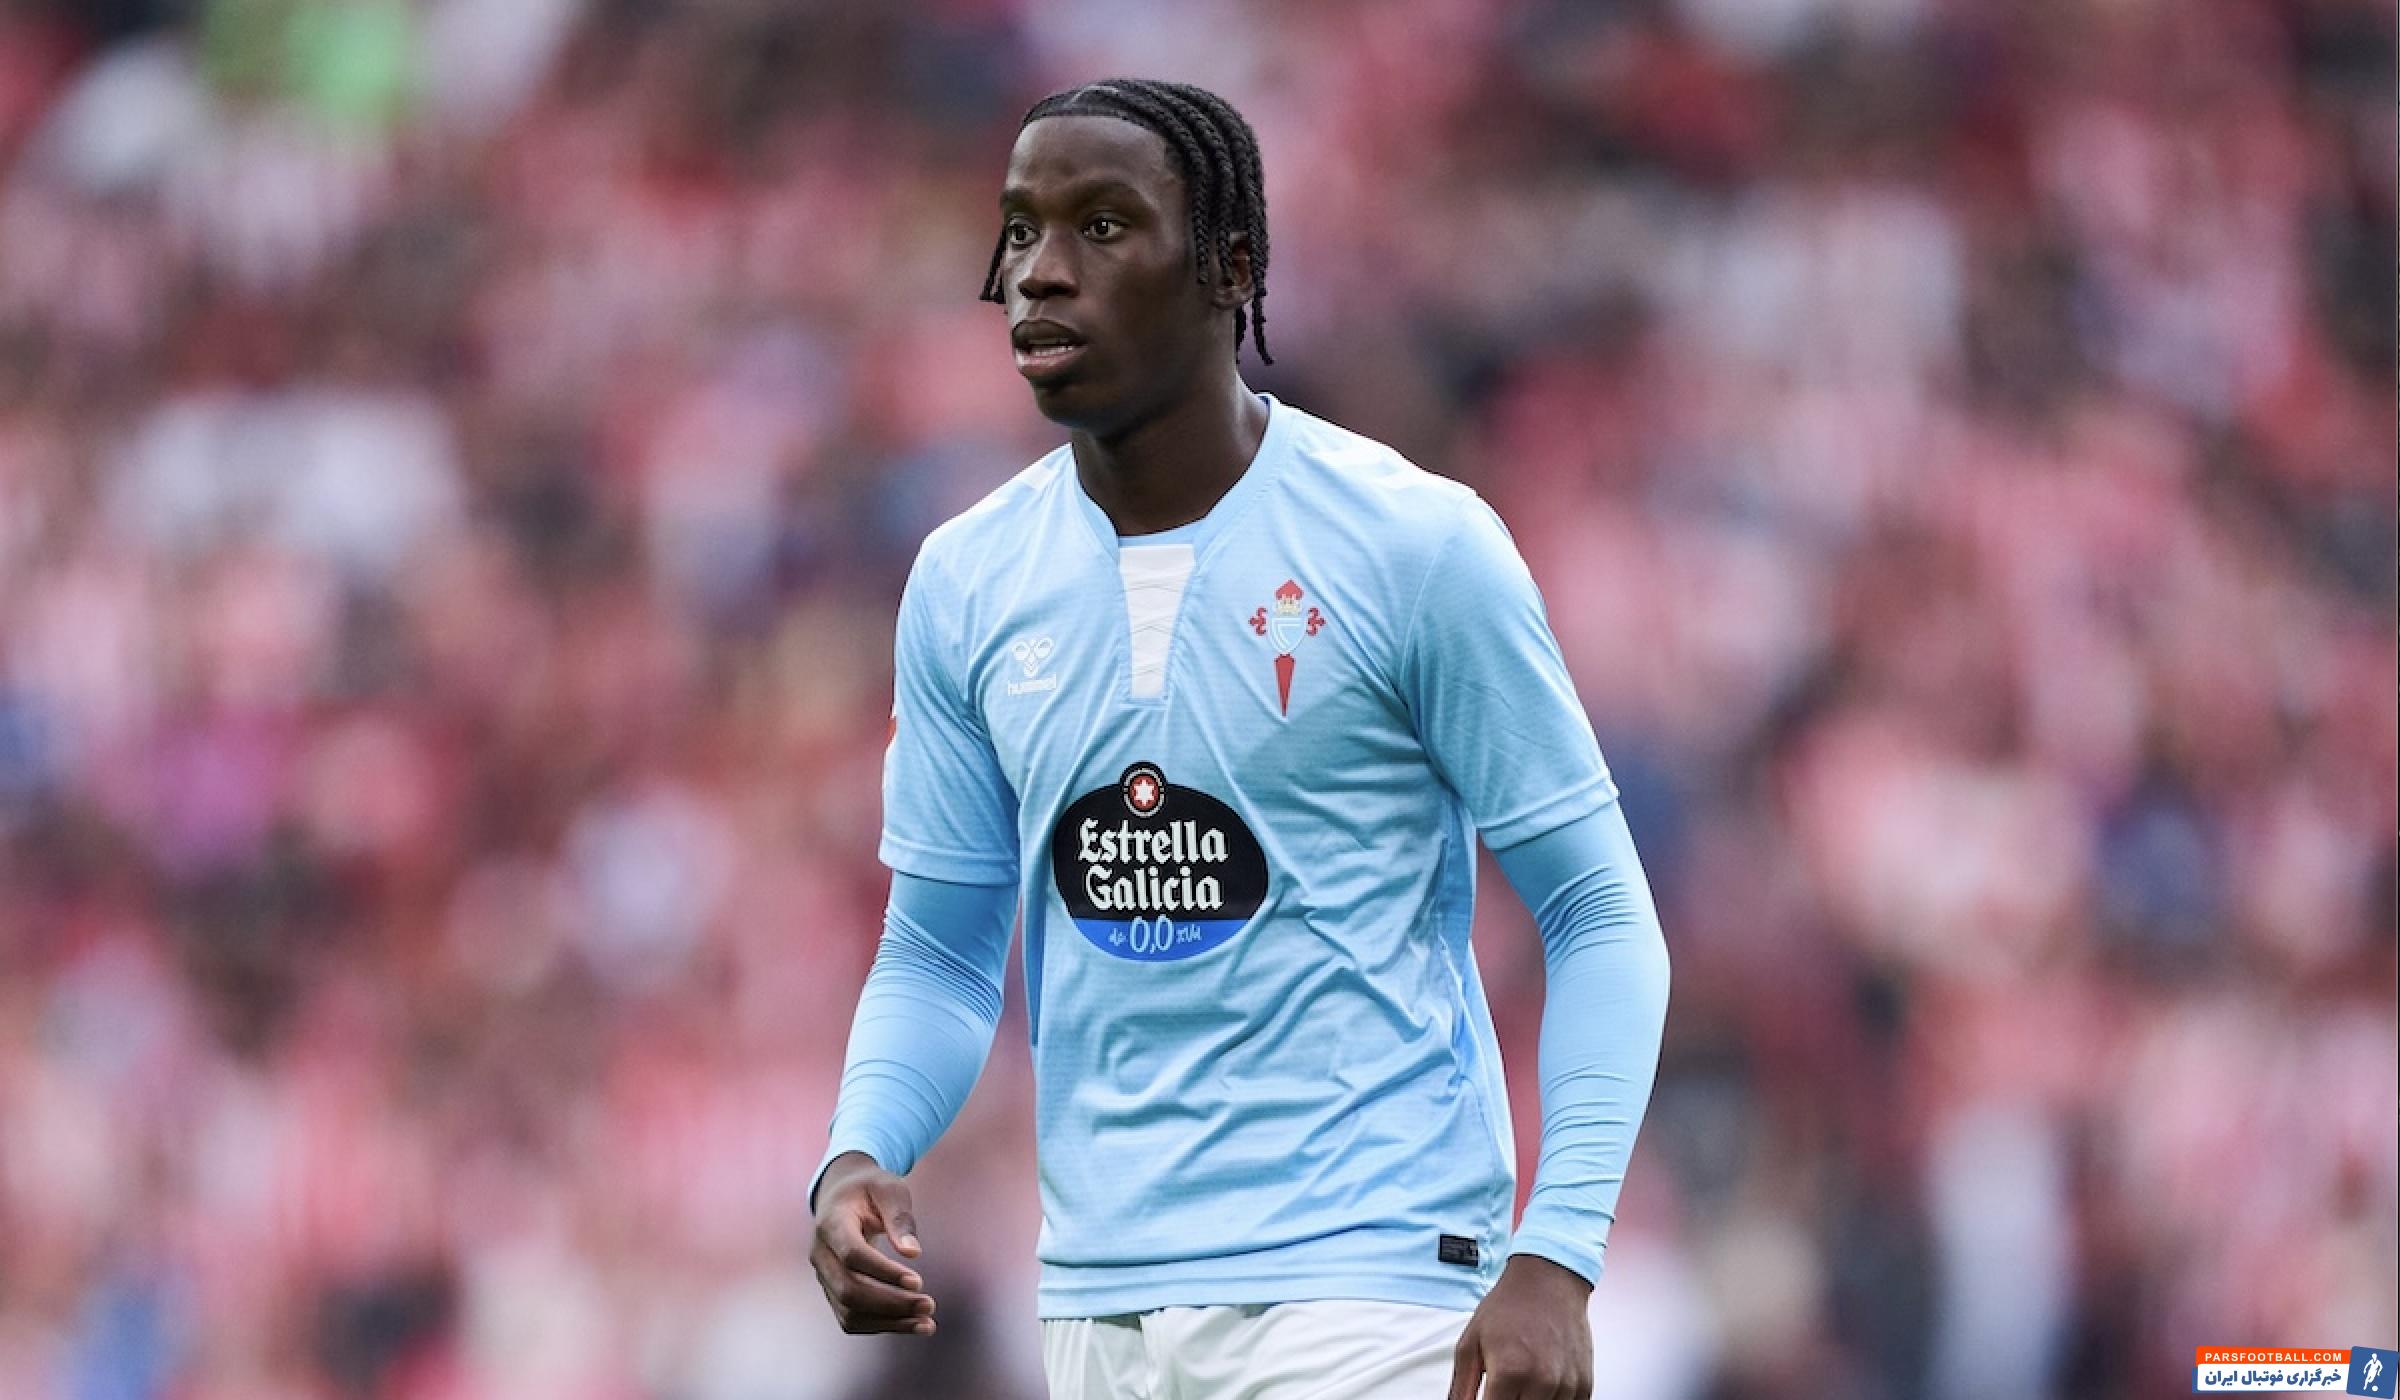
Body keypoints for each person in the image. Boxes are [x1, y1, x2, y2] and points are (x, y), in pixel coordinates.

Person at [808, 77, 1671, 1400]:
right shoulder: (966, 581)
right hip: (1099, 1308)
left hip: (1369, 1291)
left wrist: (1559, 1251)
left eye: (1102, 227)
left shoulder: (1414, 547)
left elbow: (1599, 912)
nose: (1041, 271)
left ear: (1230, 267)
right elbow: (938, 949)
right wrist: (861, 1149)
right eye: (1022, 229)